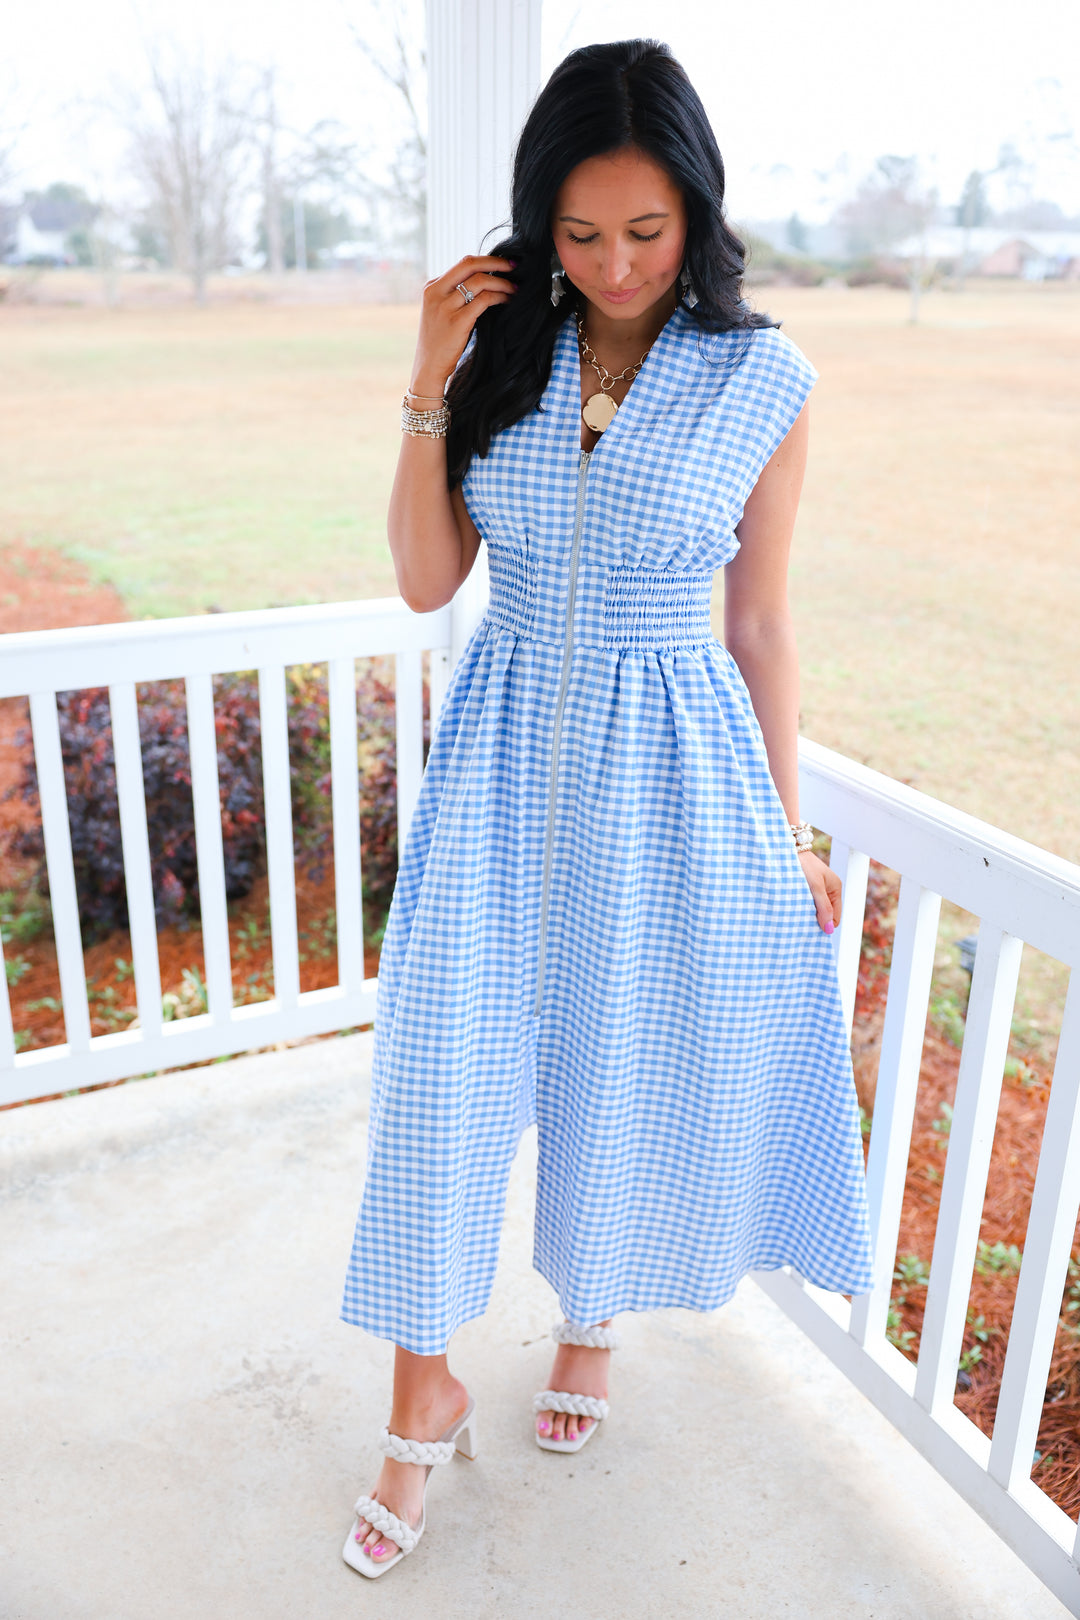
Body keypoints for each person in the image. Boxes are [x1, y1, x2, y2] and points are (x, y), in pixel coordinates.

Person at [340, 38, 874, 1578]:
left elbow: (760, 624)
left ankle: (594, 1316)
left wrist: (781, 830)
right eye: (581, 234)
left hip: (674, 773)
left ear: (696, 213)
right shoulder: (510, 351)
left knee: (625, 1055)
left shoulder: (761, 377)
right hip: (502, 766)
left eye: (646, 232)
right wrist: (429, 381)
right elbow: (433, 580)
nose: (616, 264)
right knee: (439, 1081)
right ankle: (418, 1390)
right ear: (540, 221)